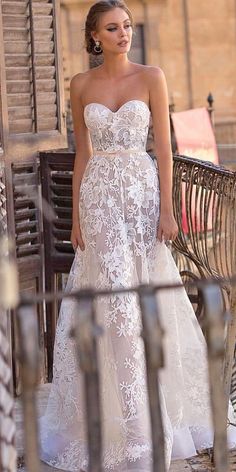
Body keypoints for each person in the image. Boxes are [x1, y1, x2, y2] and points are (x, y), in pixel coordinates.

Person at [39, 1, 236, 470]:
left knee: (144, 297)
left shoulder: (152, 76)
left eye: (127, 25)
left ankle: (152, 415)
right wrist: (76, 219)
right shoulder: (80, 84)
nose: (124, 34)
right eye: (113, 28)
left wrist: (168, 208)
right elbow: (82, 153)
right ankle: (127, 425)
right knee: (113, 302)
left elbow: (165, 150)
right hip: (100, 201)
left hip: (142, 197)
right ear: (95, 36)